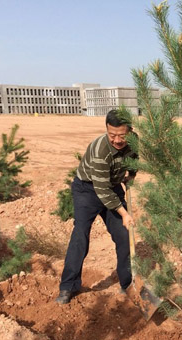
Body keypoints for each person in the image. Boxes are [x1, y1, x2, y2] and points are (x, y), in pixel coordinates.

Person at [55, 109, 137, 305]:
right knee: (80, 234)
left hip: (113, 187)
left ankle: (128, 285)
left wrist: (131, 175)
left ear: (129, 131)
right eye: (112, 135)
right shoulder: (101, 150)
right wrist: (124, 213)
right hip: (88, 190)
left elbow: (134, 158)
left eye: (122, 136)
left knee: (125, 236)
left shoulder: (134, 140)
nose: (117, 140)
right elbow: (102, 190)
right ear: (107, 130)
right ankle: (68, 286)